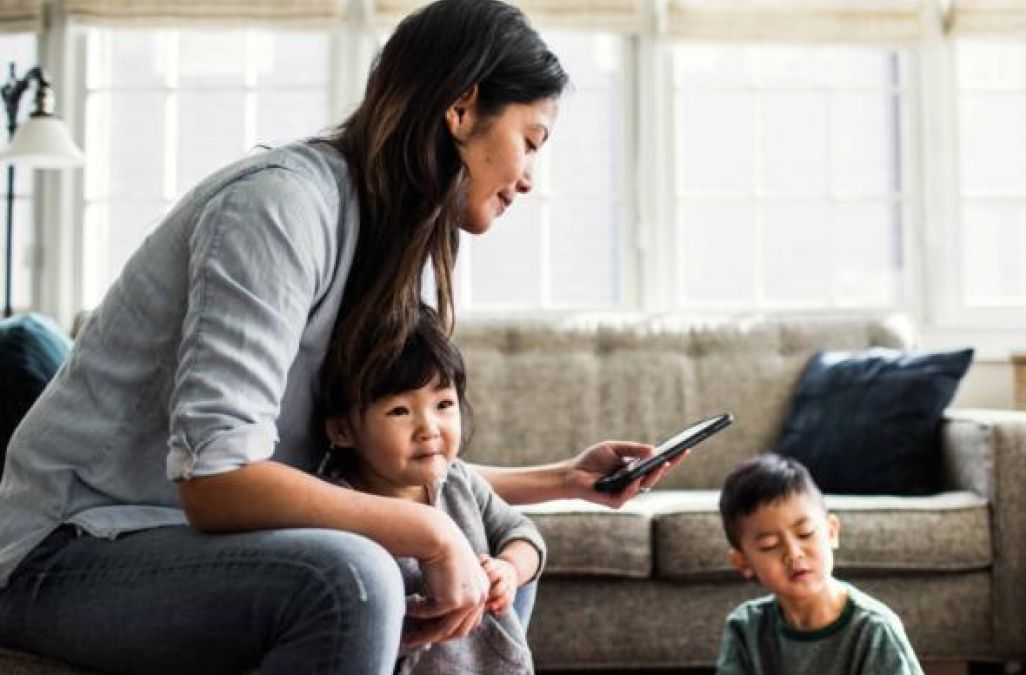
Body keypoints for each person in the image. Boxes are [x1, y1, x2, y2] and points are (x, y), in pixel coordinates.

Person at [0, 1, 673, 673]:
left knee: (494, 567)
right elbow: (215, 478)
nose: (528, 178)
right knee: (353, 576)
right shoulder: (280, 207)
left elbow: (378, 463)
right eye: (531, 140)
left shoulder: (387, 242)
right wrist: (431, 532)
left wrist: (563, 480)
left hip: (178, 536)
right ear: (462, 109)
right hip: (67, 548)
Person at [318, 303, 543, 673]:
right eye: (400, 411)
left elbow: (523, 533)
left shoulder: (459, 482)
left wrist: (509, 569)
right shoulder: (339, 507)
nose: (429, 428)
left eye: (443, 404)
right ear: (343, 430)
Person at [716, 455, 924, 675]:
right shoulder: (745, 628)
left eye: (805, 533)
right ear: (743, 562)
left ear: (831, 532)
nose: (793, 554)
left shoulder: (874, 629)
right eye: (769, 545)